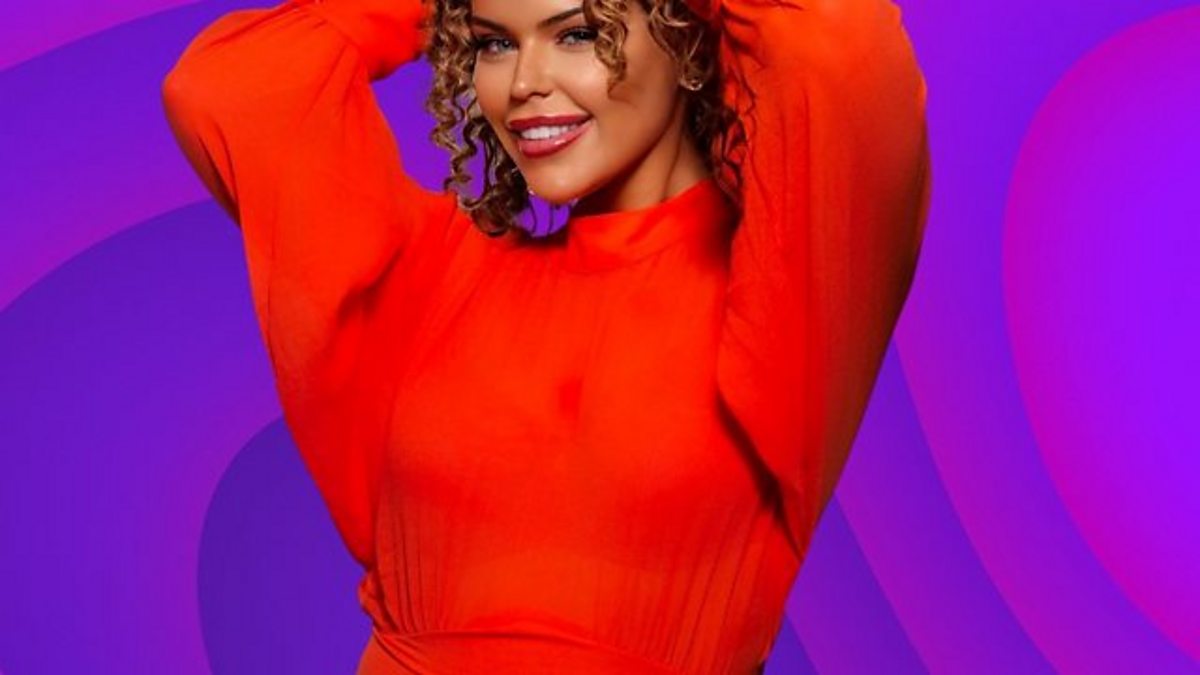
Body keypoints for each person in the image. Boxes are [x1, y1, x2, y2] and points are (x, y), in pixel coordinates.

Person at [161, 0, 930, 671]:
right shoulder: (431, 277)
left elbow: (839, 46)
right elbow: (236, 86)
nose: (524, 82)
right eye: (494, 42)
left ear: (686, 39)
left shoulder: (789, 290)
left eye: (578, 34)